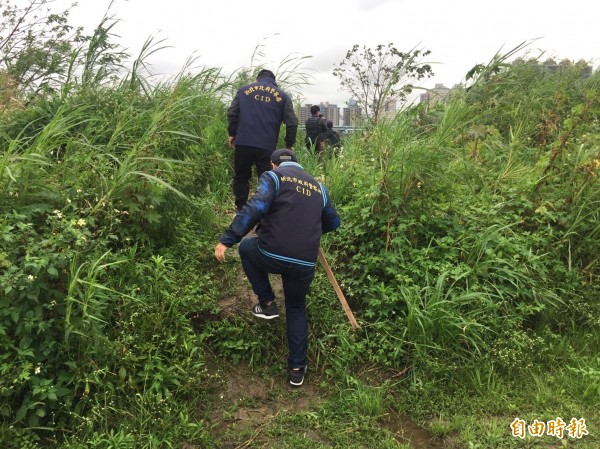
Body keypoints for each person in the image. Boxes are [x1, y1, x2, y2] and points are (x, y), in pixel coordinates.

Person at [214, 149, 341, 387]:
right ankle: (296, 370)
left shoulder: (274, 177)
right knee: (296, 306)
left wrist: (228, 239)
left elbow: (255, 207)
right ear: (298, 165)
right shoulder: (318, 188)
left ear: (274, 165)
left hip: (271, 252)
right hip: (305, 261)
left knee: (248, 248)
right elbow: (334, 222)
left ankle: (267, 302)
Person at [227, 69, 298, 211]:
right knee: (266, 180)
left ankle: (240, 210)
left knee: (241, 177)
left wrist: (232, 133)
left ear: (257, 79)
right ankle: (263, 214)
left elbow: (232, 113)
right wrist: (289, 144)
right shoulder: (282, 96)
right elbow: (292, 122)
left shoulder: (243, 90)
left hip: (243, 142)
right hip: (266, 146)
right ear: (274, 80)